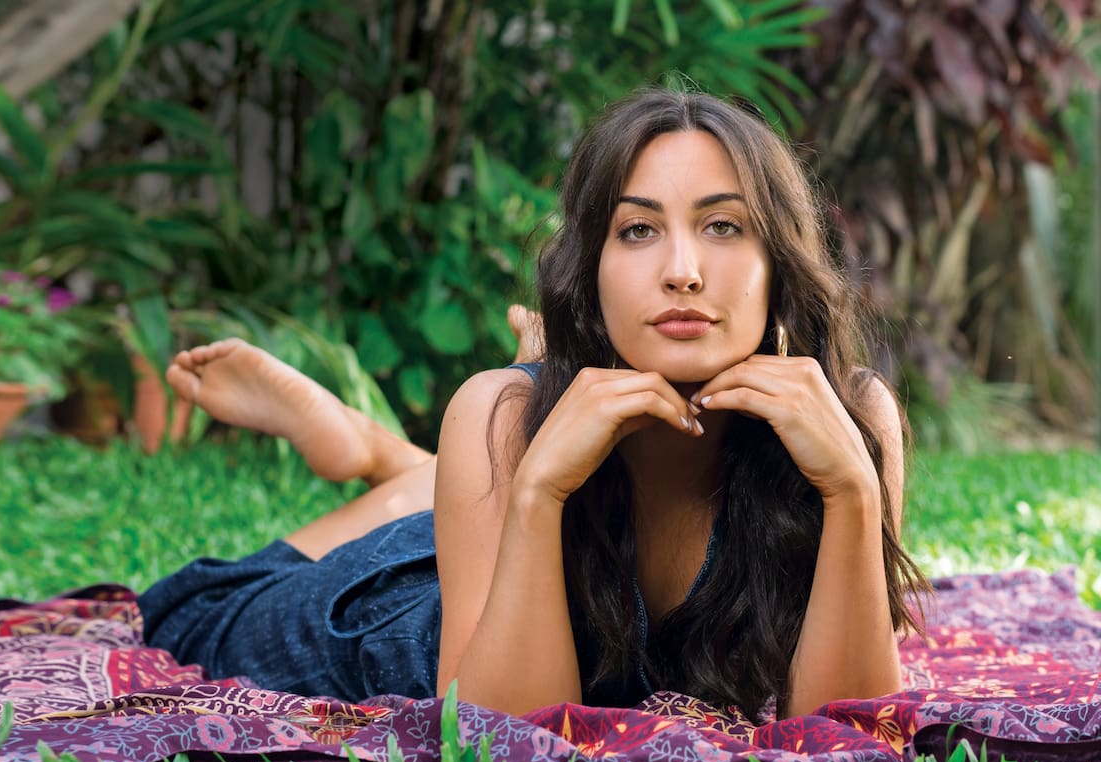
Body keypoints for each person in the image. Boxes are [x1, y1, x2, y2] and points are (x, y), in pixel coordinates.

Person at [139, 87, 927, 721]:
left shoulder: (854, 417)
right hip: (410, 610)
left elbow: (851, 734)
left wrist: (852, 491)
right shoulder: (506, 421)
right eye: (637, 230)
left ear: (779, 265)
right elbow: (508, 739)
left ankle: (404, 466)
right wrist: (539, 486)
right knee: (195, 608)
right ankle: (397, 465)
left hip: (479, 515)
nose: (684, 270)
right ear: (590, 274)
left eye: (724, 226)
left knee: (488, 448)